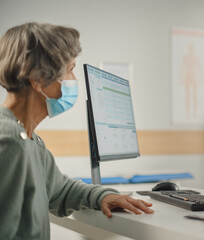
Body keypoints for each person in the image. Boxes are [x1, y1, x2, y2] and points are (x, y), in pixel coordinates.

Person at [0, 22, 154, 239]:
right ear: (37, 80)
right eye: (70, 70)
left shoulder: (30, 140)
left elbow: (59, 190)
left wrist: (101, 196)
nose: (74, 81)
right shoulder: (9, 142)